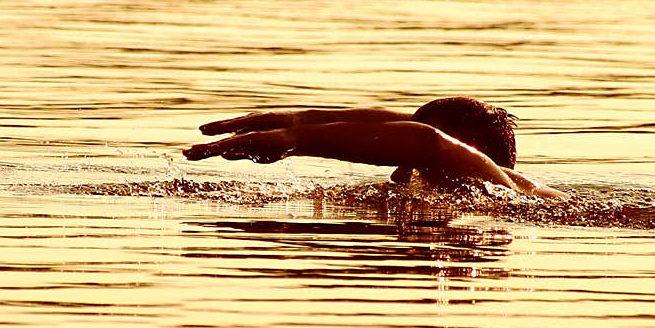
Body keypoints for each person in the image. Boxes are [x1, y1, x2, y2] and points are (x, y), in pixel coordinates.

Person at [183, 96, 567, 199]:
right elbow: (403, 129)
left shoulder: (505, 186)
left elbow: (423, 140)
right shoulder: (479, 187)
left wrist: (293, 142)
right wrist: (294, 119)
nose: (399, 168)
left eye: (407, 160)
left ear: (469, 146)